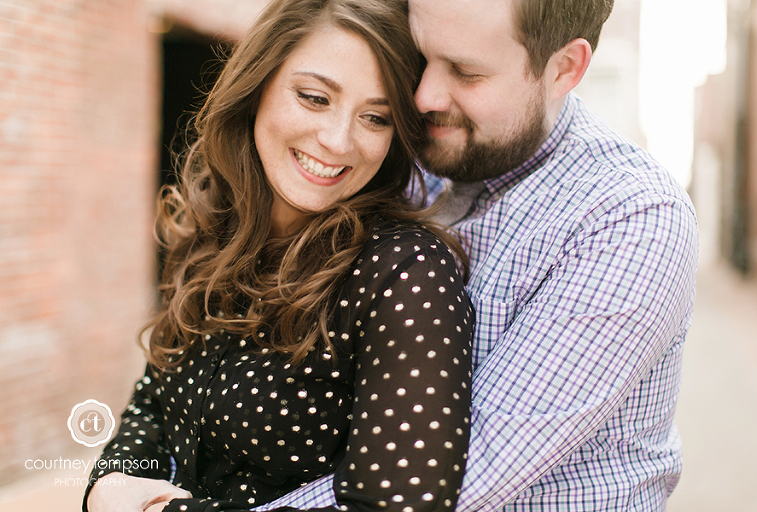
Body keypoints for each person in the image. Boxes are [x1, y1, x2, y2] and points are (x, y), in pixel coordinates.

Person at [247, 0, 699, 511]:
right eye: (422, 56)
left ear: (564, 68)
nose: (421, 96)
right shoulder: (408, 147)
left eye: (466, 72)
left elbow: (443, 477)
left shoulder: (629, 217)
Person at [83, 1, 474, 511]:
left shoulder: (404, 272)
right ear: (258, 83)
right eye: (314, 98)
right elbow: (155, 403)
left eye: (375, 117)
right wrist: (109, 485)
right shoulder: (211, 229)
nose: (337, 141)